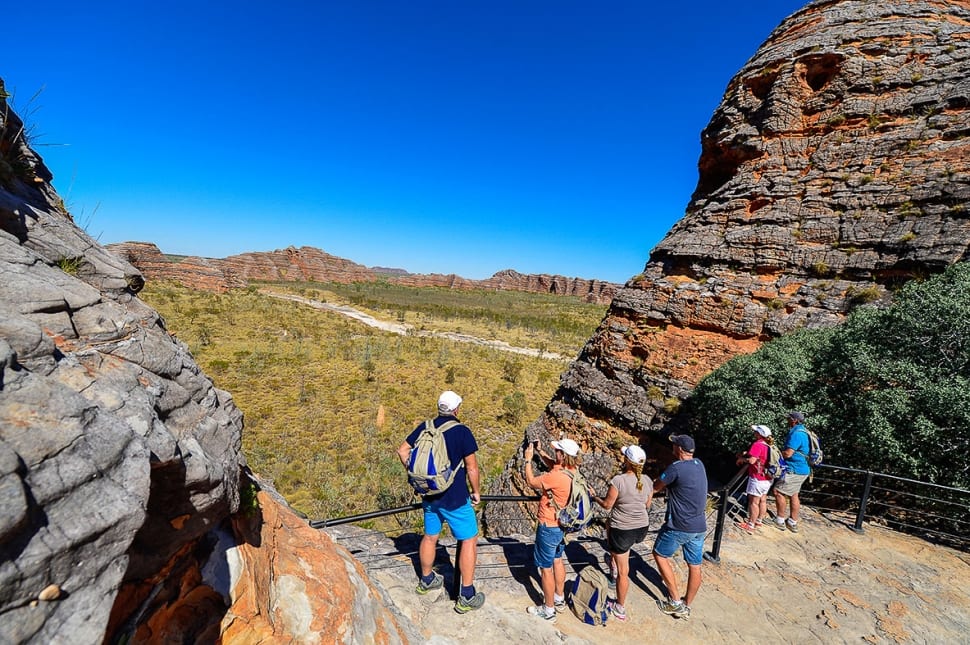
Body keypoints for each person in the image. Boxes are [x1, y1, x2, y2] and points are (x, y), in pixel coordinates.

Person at [397, 390, 485, 613]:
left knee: (430, 536)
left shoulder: (426, 426)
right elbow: (472, 467)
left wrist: (418, 475)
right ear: (456, 409)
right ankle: (466, 594)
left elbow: (402, 450)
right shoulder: (462, 432)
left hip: (430, 494)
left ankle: (426, 580)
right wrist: (476, 491)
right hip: (455, 497)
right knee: (468, 539)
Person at [589, 444, 653, 622]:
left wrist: (595, 497)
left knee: (624, 572)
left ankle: (619, 607)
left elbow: (607, 505)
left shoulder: (619, 480)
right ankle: (614, 561)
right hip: (641, 527)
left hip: (623, 529)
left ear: (628, 461)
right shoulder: (647, 480)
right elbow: (647, 505)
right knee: (617, 539)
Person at [522, 437, 582, 623]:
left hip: (549, 525)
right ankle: (559, 598)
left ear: (563, 455)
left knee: (545, 569)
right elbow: (554, 466)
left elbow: (531, 481)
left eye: (557, 451)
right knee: (557, 560)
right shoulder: (572, 471)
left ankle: (548, 611)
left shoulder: (555, 477)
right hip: (562, 526)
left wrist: (528, 459)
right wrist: (542, 453)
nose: (555, 452)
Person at [652, 434, 708, 621]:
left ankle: (675, 602)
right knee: (695, 565)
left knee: (660, 555)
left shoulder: (675, 468)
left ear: (680, 450)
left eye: (674, 444)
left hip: (680, 525)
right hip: (699, 525)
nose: (672, 447)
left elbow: (656, 487)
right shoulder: (699, 464)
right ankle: (687, 604)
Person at [773, 411, 811, 533]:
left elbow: (788, 453)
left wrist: (776, 454)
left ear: (794, 420)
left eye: (788, 418)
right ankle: (792, 522)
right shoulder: (805, 431)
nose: (787, 420)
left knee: (778, 491)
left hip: (794, 469)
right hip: (803, 469)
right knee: (794, 494)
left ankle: (780, 521)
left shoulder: (796, 434)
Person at [735, 425, 773, 531]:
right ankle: (759, 521)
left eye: (755, 431)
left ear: (759, 434)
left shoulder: (757, 444)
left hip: (757, 477)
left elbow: (752, 460)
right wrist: (746, 453)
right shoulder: (768, 445)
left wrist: (742, 459)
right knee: (763, 500)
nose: (754, 432)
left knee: (753, 502)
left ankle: (750, 524)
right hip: (767, 478)